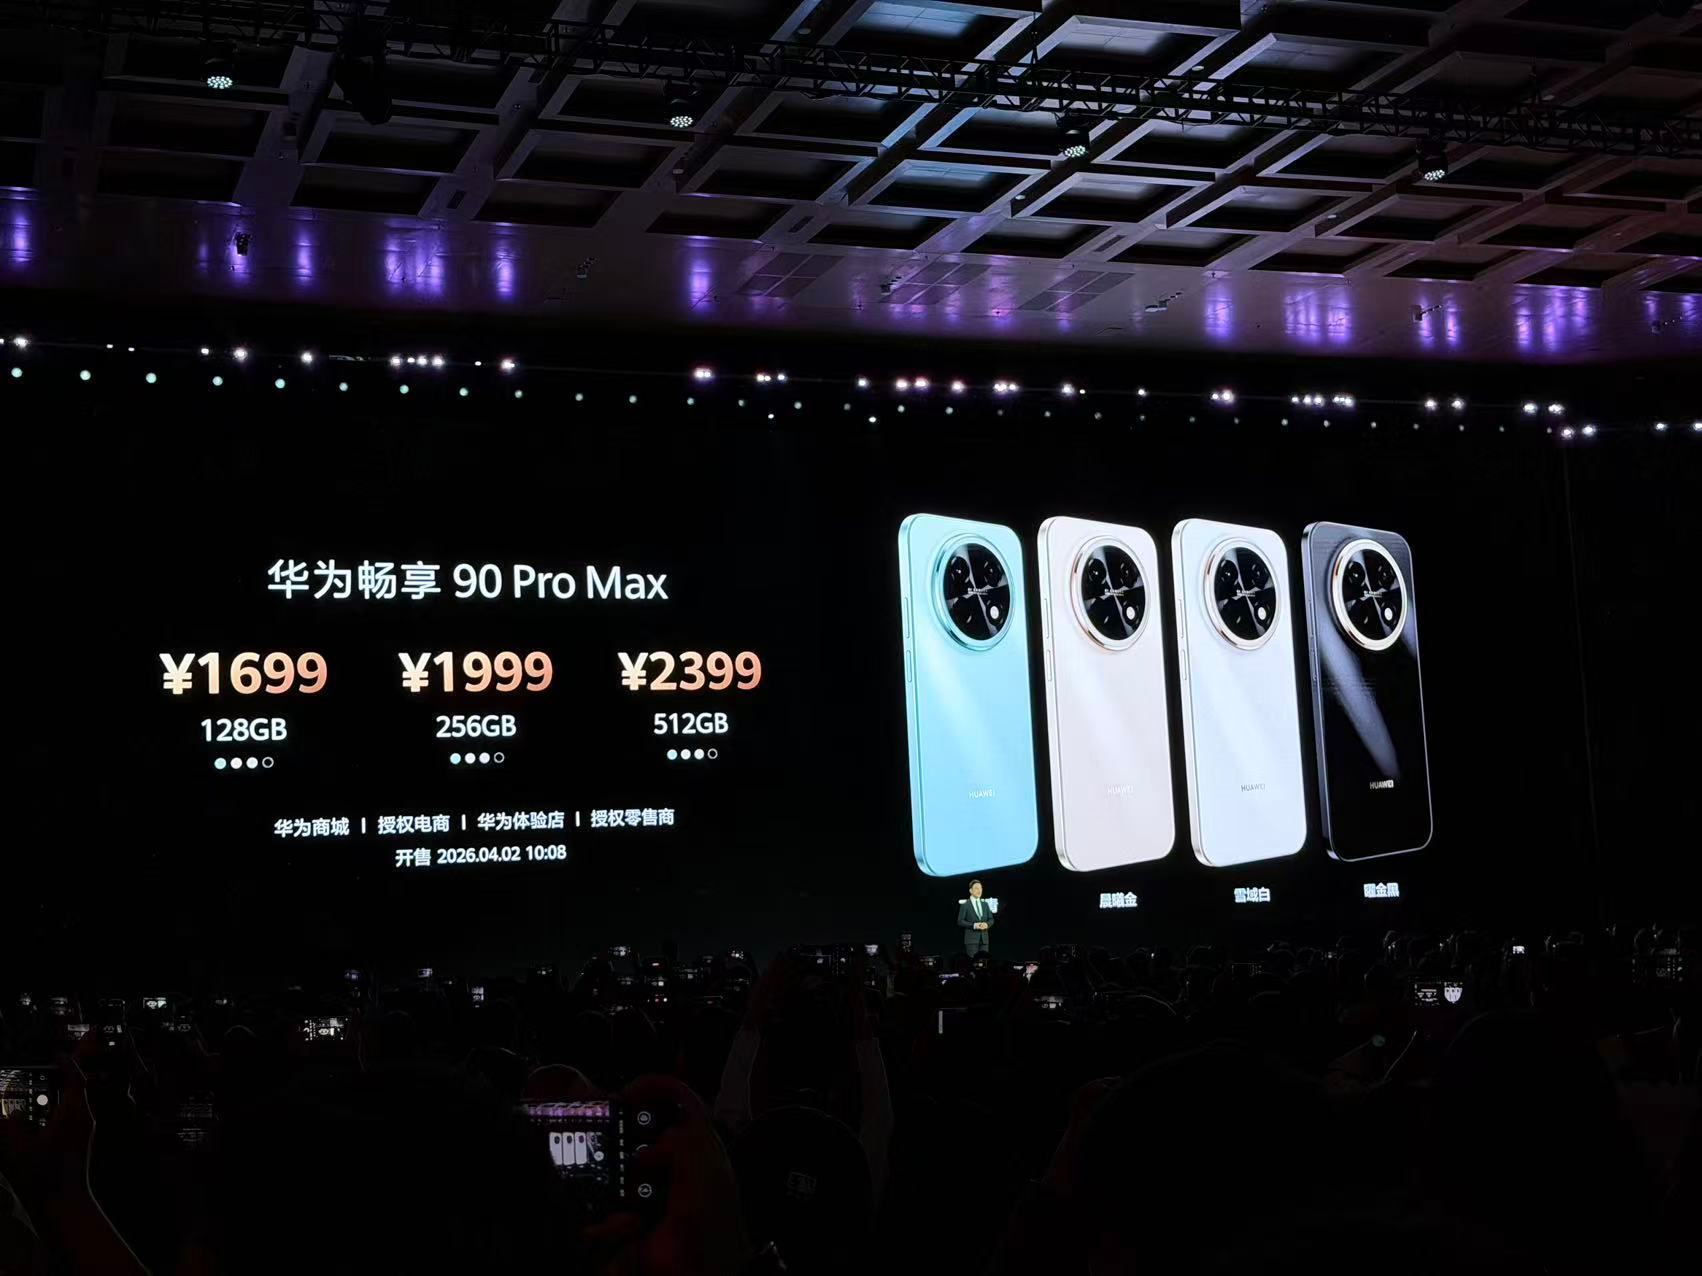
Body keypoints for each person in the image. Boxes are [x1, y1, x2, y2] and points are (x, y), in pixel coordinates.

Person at [957, 879, 994, 957]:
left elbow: (991, 919)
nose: (979, 890)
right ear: (971, 890)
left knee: (985, 962)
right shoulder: (965, 905)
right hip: (971, 940)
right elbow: (960, 921)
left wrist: (987, 924)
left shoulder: (985, 904)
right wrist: (974, 925)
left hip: (984, 940)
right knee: (972, 962)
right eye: (976, 888)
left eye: (981, 888)